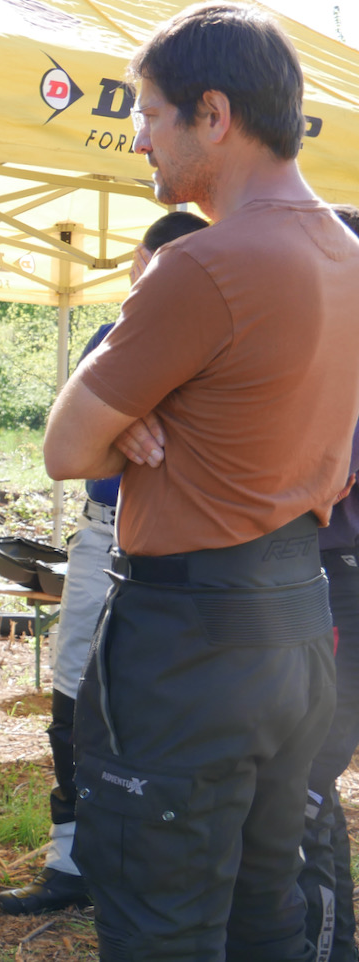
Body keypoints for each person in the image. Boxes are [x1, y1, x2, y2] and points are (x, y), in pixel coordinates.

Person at [43, 4, 359, 960]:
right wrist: (149, 414)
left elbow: (65, 447)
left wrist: (138, 416)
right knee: (268, 912)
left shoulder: (203, 264)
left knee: (161, 924)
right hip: (295, 629)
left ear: (213, 114)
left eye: (149, 114)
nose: (140, 137)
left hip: (189, 647)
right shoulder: (347, 254)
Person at [0, 210, 206, 916]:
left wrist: (129, 420)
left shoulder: (221, 335)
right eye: (160, 262)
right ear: (138, 265)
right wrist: (122, 424)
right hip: (104, 529)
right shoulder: (111, 334)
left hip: (186, 539)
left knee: (172, 704)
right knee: (74, 694)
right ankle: (71, 862)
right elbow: (71, 445)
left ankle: (156, 865)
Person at [298, 206, 359, 962]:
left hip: (339, 581)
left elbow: (321, 483)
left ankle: (327, 946)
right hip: (298, 580)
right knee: (297, 779)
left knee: (306, 782)